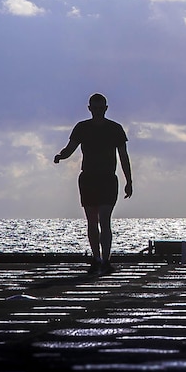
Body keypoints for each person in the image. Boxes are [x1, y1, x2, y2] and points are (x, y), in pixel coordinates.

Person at [55, 93, 133, 275]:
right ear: (89, 109)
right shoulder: (82, 128)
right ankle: (96, 258)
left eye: (101, 108)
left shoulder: (115, 129)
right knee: (91, 220)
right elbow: (70, 148)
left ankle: (106, 259)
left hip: (107, 178)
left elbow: (123, 156)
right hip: (88, 178)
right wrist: (61, 156)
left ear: (106, 108)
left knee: (105, 219)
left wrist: (129, 181)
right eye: (94, 108)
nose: (98, 111)